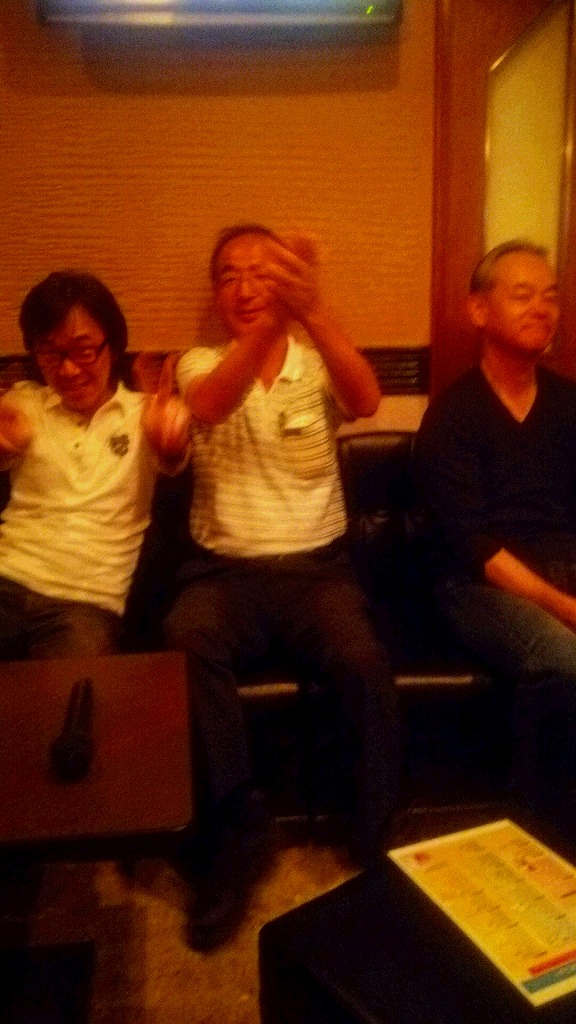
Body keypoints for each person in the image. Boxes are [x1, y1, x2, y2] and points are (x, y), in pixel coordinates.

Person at [164, 223, 400, 950]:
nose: (243, 288)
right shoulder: (199, 362)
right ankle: (237, 829)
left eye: (261, 274)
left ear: (286, 285)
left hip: (314, 570)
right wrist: (277, 317)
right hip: (224, 573)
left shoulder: (315, 360)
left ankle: (377, 836)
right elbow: (210, 406)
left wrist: (314, 309)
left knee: (364, 659)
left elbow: (367, 399)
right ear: (215, 293)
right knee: (185, 638)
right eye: (229, 276)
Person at [415, 239, 576, 823]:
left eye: (551, 296)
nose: (542, 308)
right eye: (523, 294)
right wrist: (564, 605)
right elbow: (476, 548)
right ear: (479, 310)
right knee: (564, 658)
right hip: (480, 585)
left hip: (563, 565)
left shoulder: (568, 403)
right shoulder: (453, 416)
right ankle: (539, 825)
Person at [0, 270, 191, 659]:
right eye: (51, 353)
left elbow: (172, 456)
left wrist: (170, 441)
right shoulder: (26, 403)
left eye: (83, 351)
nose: (68, 370)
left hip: (84, 605)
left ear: (113, 347)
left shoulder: (144, 414)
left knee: (77, 690)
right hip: (6, 581)